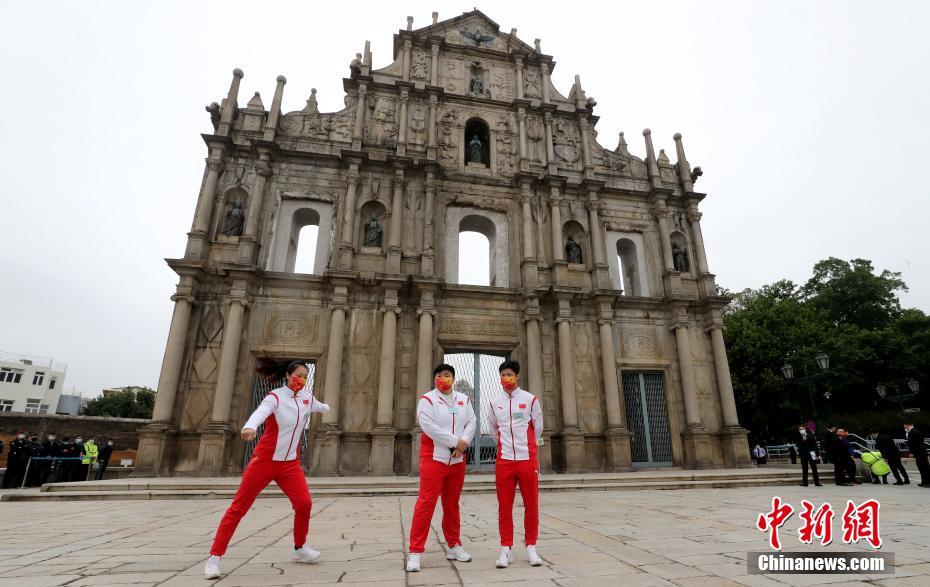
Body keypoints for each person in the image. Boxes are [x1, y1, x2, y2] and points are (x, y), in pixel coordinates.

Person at [204, 361, 330, 580]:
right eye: (297, 375)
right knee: (239, 507)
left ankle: (300, 547)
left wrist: (326, 407)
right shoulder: (275, 396)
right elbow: (261, 412)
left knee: (304, 504)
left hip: (290, 464)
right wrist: (249, 426)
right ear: (288, 375)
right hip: (265, 461)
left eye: (304, 376)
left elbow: (320, 406)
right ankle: (215, 557)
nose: (300, 379)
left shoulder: (307, 398)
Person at [405, 364, 477, 573]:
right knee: (426, 504)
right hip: (434, 458)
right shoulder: (427, 400)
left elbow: (472, 420)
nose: (443, 378)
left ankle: (454, 545)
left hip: (457, 460)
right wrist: (457, 442)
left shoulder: (463, 400)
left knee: (452, 504)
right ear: (434, 378)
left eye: (447, 375)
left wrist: (463, 443)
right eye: (439, 375)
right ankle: (415, 551)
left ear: (453, 378)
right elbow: (428, 426)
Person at [488, 360, 544, 569]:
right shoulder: (494, 402)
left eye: (509, 374)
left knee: (531, 504)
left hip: (527, 459)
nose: (506, 378)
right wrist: (506, 447)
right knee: (504, 506)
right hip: (504, 461)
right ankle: (506, 548)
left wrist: (525, 447)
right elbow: (494, 430)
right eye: (503, 374)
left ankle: (531, 546)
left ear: (517, 376)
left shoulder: (530, 400)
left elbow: (538, 427)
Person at [903, 419, 930, 487]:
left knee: (923, 468)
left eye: (904, 425)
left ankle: (926, 482)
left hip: (919, 453)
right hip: (921, 452)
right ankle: (924, 482)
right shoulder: (915, 431)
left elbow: (912, 444)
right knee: (923, 467)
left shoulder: (912, 432)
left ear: (906, 425)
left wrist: (912, 452)